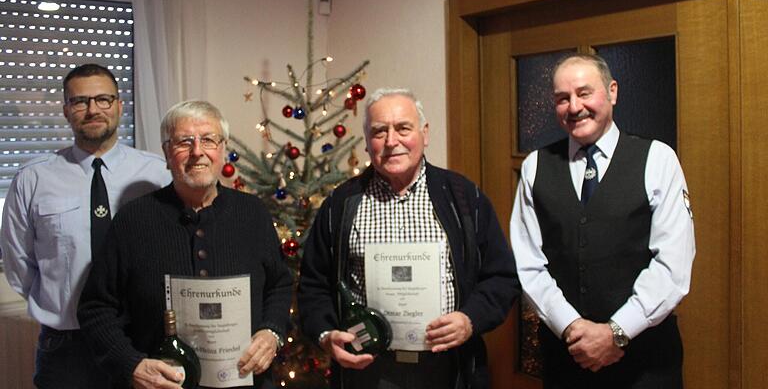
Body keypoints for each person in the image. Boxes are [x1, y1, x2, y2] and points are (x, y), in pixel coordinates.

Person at [298, 88, 520, 389]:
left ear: (424, 133)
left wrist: (470, 320)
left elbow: (501, 277)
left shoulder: (463, 196)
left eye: (403, 128)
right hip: (368, 370)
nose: (392, 141)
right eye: (379, 131)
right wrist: (326, 334)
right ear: (367, 142)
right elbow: (313, 284)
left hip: (449, 369)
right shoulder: (341, 204)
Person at [509, 53, 696, 388]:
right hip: (568, 356)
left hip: (646, 360)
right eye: (562, 98)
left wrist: (616, 333)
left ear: (612, 92)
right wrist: (572, 328)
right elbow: (529, 264)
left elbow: (673, 265)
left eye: (584, 93)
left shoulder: (657, 159)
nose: (574, 106)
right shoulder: (536, 166)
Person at [77, 100, 292, 389]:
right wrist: (132, 364)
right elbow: (95, 308)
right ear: (167, 154)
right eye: (184, 142)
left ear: (223, 150)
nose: (197, 152)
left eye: (208, 140)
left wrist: (272, 332)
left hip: (245, 380)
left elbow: (279, 285)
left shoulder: (252, 213)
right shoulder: (133, 220)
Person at [0, 63, 171, 388]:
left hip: (141, 342)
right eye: (80, 101)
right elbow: (19, 266)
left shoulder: (156, 176)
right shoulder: (33, 179)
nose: (93, 109)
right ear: (66, 110)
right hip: (66, 349)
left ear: (120, 106)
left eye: (103, 99)